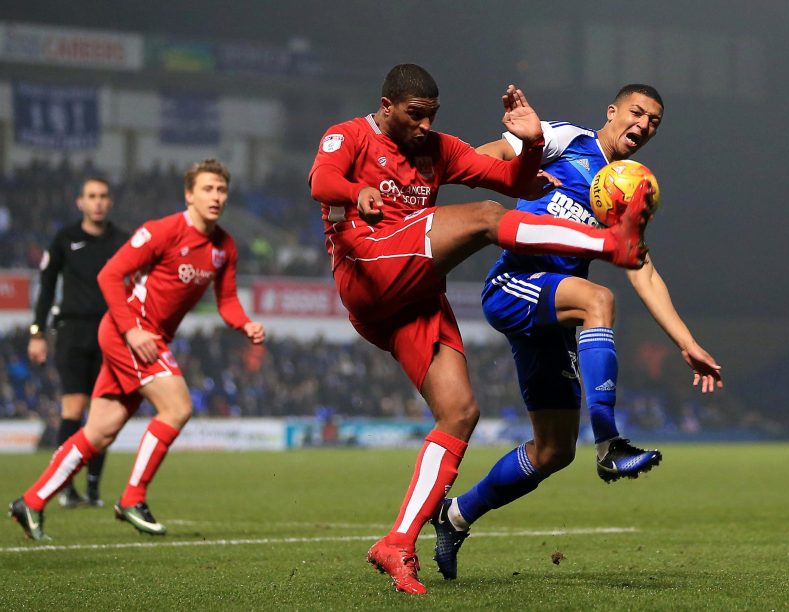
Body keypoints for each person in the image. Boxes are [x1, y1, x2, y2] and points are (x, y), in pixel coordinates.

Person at [308, 64, 655, 595]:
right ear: (386, 106)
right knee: (486, 218)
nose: (424, 126)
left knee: (460, 413)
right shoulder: (350, 134)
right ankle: (613, 247)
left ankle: (399, 542)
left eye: (432, 115)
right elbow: (321, 180)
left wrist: (533, 142)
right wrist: (356, 194)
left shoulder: (438, 148)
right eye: (414, 115)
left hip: (413, 298)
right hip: (368, 266)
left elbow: (514, 180)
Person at [429, 84, 723, 580]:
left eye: (654, 121)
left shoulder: (631, 189)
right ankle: (610, 443)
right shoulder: (568, 139)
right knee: (599, 299)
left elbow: (643, 270)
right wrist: (512, 173)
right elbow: (494, 153)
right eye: (637, 112)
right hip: (514, 283)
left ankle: (454, 517)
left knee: (553, 451)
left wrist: (687, 343)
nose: (644, 125)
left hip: (556, 313)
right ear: (612, 112)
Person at [9, 159, 266, 540]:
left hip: (147, 338)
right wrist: (131, 331)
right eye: (208, 189)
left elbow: (226, 299)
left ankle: (30, 501)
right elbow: (109, 275)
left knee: (98, 432)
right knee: (177, 406)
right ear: (189, 194)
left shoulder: (224, 245)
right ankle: (132, 497)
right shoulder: (162, 231)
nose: (216, 196)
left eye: (222, 190)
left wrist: (243, 323)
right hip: (128, 333)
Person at [27, 177, 128, 508]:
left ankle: (94, 490)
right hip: (72, 332)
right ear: (80, 202)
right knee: (72, 408)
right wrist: (37, 332)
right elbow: (46, 285)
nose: (97, 202)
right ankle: (65, 487)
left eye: (103, 196)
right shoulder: (65, 239)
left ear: (110, 202)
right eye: (91, 196)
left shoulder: (122, 241)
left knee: (103, 414)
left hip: (111, 334)